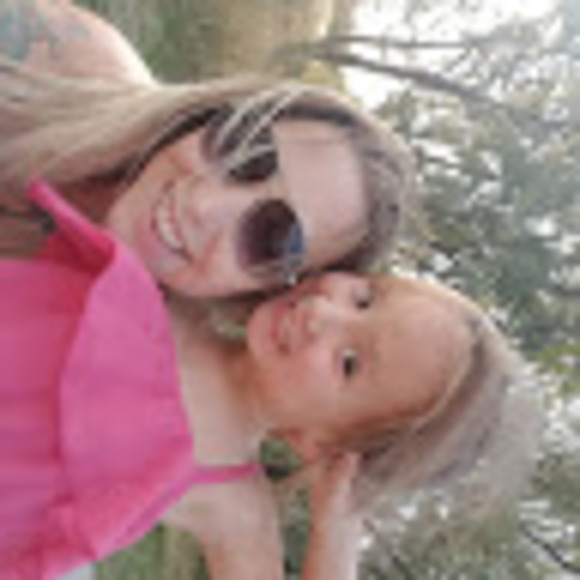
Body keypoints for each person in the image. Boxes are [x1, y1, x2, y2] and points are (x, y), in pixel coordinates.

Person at [0, 180, 519, 579]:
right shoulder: (189, 294)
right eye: (363, 297)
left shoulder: (235, 505)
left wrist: (334, 540)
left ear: (323, 444)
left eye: (349, 363)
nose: (323, 313)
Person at [0, 2, 414, 299]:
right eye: (245, 145)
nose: (204, 205)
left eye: (272, 238)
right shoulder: (61, 57)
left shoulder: (87, 359)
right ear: (212, 114)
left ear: (261, 296)